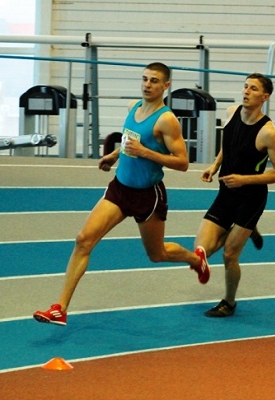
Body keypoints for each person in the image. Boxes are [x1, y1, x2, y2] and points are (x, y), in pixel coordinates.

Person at [33, 62, 210, 326]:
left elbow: (183, 162)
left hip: (147, 195)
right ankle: (60, 308)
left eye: (154, 81)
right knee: (83, 240)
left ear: (166, 85)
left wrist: (145, 152)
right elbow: (131, 141)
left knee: (157, 254)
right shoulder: (133, 107)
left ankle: (195, 259)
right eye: (145, 79)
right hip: (120, 189)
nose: (147, 85)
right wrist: (115, 155)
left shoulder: (166, 120)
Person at [195, 72, 275, 317]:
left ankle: (229, 302)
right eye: (246, 86)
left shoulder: (268, 133)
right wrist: (215, 165)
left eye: (253, 89)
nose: (246, 91)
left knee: (229, 254)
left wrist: (244, 179)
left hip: (251, 199)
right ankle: (245, 229)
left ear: (264, 97)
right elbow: (229, 144)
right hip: (226, 193)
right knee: (202, 249)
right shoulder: (232, 112)